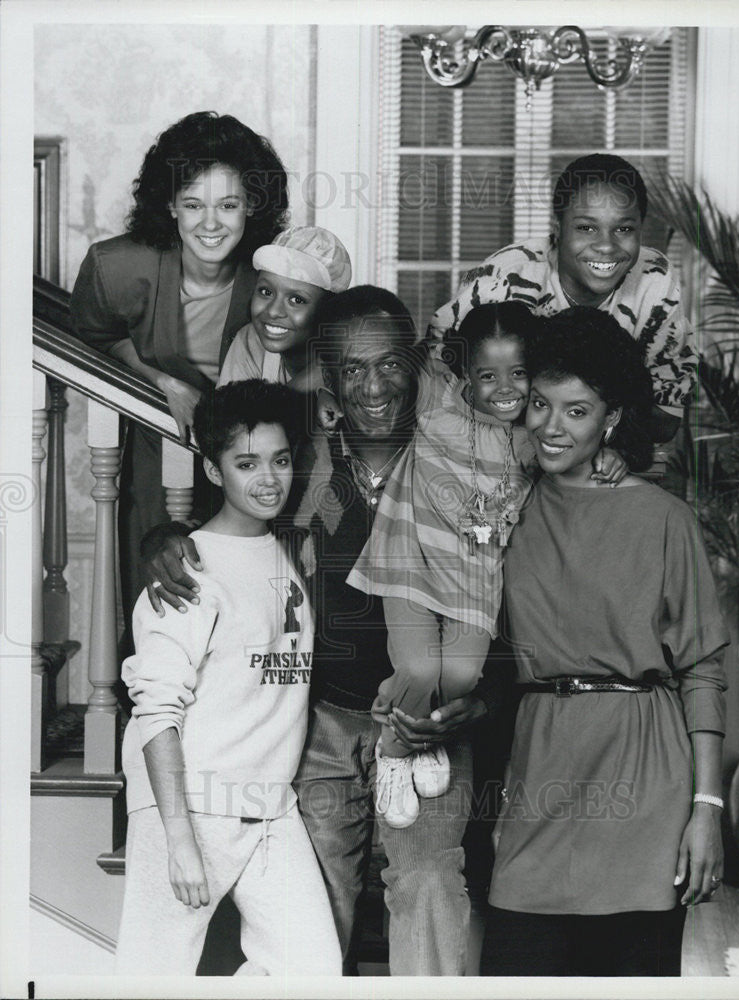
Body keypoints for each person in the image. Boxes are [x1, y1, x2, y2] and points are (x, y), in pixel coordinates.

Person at [143, 286, 513, 975]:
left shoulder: (465, 461)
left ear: (417, 362)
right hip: (320, 724)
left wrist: (481, 698)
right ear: (330, 380)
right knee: (312, 903)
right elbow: (222, 521)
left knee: (430, 884)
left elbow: (507, 595)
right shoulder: (297, 460)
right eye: (351, 368)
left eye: (390, 364)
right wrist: (162, 538)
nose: (374, 386)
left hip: (431, 722)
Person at [480, 307, 729, 977]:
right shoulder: (506, 501)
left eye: (577, 411)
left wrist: (707, 808)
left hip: (646, 782)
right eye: (539, 403)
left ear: (611, 419)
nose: (550, 426)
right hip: (541, 767)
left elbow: (703, 668)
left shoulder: (662, 519)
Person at [344, 302, 624, 830]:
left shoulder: (535, 435)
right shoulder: (434, 399)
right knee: (421, 667)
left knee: (461, 674)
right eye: (487, 375)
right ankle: (394, 750)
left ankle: (415, 727)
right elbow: (370, 357)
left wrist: (610, 455)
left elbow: (586, 442)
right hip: (409, 558)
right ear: (463, 375)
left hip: (475, 576)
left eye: (519, 374)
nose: (504, 388)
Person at [115, 380, 341, 976]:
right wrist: (178, 839)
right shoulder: (185, 570)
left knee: (313, 972)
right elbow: (156, 712)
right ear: (214, 472)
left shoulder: (290, 548)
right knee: (151, 973)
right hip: (189, 805)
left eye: (280, 460)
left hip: (270, 808)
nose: (268, 478)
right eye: (246, 464)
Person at [70, 110, 288, 623]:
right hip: (160, 447)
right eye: (193, 204)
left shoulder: (273, 272)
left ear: (251, 204)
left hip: (252, 455)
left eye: (228, 204)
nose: (210, 224)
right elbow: (96, 333)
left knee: (249, 610)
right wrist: (164, 381)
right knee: (165, 601)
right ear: (169, 205)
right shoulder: (117, 266)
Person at [428, 153, 697, 443]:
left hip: (603, 458)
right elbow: (435, 384)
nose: (606, 246)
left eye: (624, 229)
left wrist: (580, 436)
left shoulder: (654, 279)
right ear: (557, 227)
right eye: (586, 228)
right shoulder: (504, 280)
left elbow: (666, 417)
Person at [218, 225, 352, 390]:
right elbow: (224, 413)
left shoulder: (352, 361)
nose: (273, 311)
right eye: (266, 292)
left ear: (328, 311)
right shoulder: (250, 340)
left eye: (296, 299)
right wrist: (304, 383)